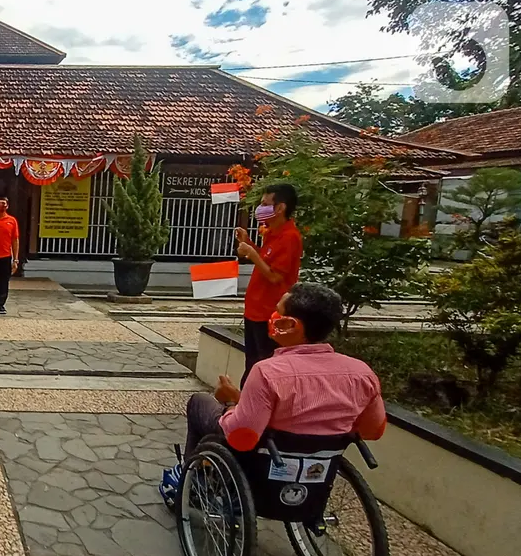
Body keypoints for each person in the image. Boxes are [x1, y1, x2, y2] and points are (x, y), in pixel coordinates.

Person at [159, 282, 386, 507]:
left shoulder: (268, 372)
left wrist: (230, 404)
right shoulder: (362, 374)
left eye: (278, 311)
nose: (272, 316)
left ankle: (193, 480)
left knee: (200, 403)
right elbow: (372, 429)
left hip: (268, 458)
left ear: (290, 324)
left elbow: (242, 436)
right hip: (319, 465)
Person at [234, 183, 303, 386]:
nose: (260, 208)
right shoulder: (272, 233)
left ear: (280, 208)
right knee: (251, 363)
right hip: (254, 310)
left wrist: (252, 254)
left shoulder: (290, 238)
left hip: (269, 313)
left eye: (265, 203)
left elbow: (274, 277)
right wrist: (248, 244)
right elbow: (265, 263)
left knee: (263, 367)